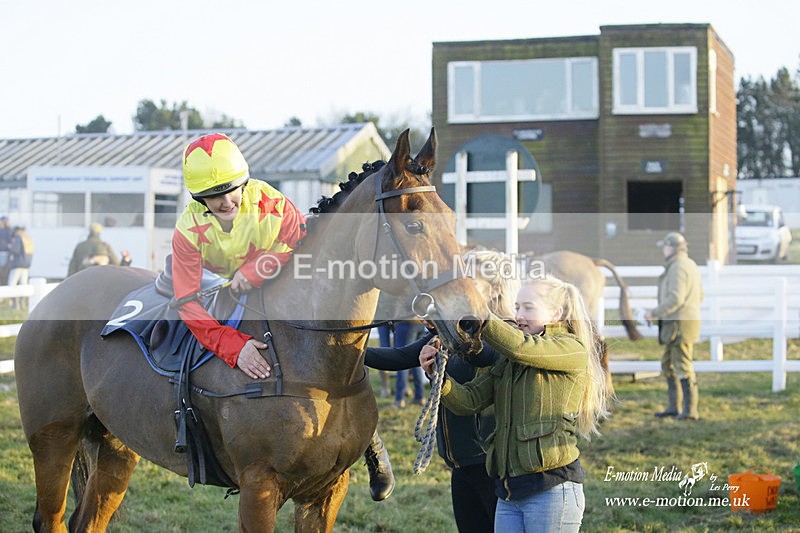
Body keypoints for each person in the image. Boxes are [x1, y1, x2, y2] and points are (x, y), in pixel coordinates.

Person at [428, 275, 610, 532]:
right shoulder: (508, 358)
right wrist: (439, 377)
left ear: (556, 313)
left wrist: (480, 316)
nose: (519, 314)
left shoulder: (571, 348)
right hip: (508, 494)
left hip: (551, 490)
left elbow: (522, 349)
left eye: (528, 307)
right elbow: (468, 402)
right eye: (517, 307)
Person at [366, 250, 521, 531]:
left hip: (492, 465)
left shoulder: (508, 334)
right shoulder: (455, 329)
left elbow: (482, 355)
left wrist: (450, 329)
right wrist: (345, 351)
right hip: (460, 463)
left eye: (468, 280)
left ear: (495, 288)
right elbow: (399, 357)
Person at [645, 232, 703, 421]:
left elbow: (676, 298)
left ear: (672, 247)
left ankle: (689, 410)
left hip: (680, 324)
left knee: (683, 364)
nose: (664, 249)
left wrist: (654, 313)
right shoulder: (689, 265)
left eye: (665, 246)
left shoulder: (678, 267)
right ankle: (674, 407)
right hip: (681, 323)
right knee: (668, 364)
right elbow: (700, 294)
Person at [378, 320, 425, 408]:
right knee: (416, 360)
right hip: (420, 323)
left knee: (402, 360)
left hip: (405, 322)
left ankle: (399, 399)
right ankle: (419, 397)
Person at [7, 225, 34, 308]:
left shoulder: (19, 238)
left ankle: (15, 303)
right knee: (24, 284)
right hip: (26, 264)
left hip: (17, 264)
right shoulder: (28, 238)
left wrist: (10, 247)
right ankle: (23, 303)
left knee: (12, 283)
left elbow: (15, 250)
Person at [0, 216, 13, 285]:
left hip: (6, 253)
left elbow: (10, 243)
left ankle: (4, 285)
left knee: (5, 271)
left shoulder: (9, 230)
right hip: (2, 252)